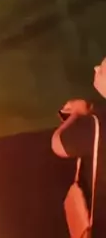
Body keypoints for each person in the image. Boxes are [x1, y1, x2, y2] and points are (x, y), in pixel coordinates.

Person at [51, 57, 106, 236]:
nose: (96, 68)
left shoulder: (97, 124)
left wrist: (77, 113)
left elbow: (59, 143)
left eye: (103, 67)